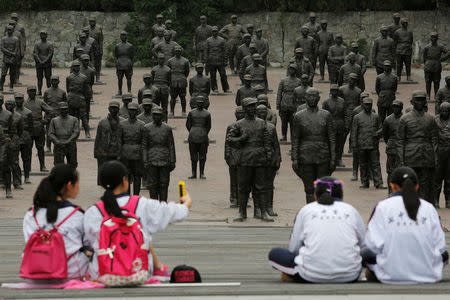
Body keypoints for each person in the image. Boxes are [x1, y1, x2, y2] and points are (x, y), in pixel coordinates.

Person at [84, 160, 192, 281]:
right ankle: (158, 269)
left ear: (102, 185)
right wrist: (186, 204)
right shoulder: (142, 204)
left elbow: (87, 244)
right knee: (144, 235)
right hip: (139, 271)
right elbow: (170, 212)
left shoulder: (93, 212)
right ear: (124, 181)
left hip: (102, 274)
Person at [268, 177, 365, 283]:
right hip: (350, 274)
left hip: (309, 274)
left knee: (275, 254)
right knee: (372, 253)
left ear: (315, 195)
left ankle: (294, 272)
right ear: (341, 195)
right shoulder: (351, 210)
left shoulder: (306, 210)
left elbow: (294, 247)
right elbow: (364, 244)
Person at [363, 167, 448, 284]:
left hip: (390, 274)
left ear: (392, 186)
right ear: (417, 186)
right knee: (444, 254)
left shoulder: (382, 207)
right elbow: (440, 245)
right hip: (427, 274)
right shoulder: (429, 208)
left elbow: (372, 243)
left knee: (365, 254)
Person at [23, 164, 90, 280]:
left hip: (36, 269)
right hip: (70, 271)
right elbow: (88, 242)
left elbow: (28, 241)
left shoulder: (31, 214)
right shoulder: (77, 214)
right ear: (69, 185)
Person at [292, 88, 335, 203]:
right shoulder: (299, 116)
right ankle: (310, 211)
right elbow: (295, 138)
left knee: (323, 187)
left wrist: (333, 157)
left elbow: (331, 138)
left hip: (323, 155)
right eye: (309, 96)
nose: (312, 98)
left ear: (319, 98)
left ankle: (322, 211)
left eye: (314, 96)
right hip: (305, 156)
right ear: (305, 98)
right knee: (309, 188)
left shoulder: (326, 115)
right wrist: (295, 158)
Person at [398, 90, 438, 206]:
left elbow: (434, 139)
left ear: (425, 102)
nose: (420, 102)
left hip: (427, 155)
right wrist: (401, 159)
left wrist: (435, 157)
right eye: (417, 100)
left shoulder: (430, 119)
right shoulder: (404, 119)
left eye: (422, 100)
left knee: (426, 185)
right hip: (410, 155)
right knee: (410, 184)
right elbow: (400, 141)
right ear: (412, 102)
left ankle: (425, 209)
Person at [142, 107, 176, 201]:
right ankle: (154, 205)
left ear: (161, 116)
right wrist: (144, 160)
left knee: (164, 184)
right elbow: (144, 146)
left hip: (164, 159)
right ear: (152, 116)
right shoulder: (146, 128)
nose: (156, 117)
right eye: (155, 115)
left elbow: (171, 146)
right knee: (152, 185)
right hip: (151, 159)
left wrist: (172, 161)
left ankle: (163, 205)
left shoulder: (167, 128)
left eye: (158, 115)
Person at [351, 98, 386, 189]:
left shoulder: (376, 116)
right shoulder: (357, 117)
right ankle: (364, 182)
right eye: (366, 104)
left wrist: (377, 133)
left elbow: (381, 128)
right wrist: (354, 145)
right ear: (363, 105)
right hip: (361, 144)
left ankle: (378, 182)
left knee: (376, 164)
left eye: (369, 104)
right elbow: (354, 132)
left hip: (373, 144)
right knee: (363, 165)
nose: (368, 106)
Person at [257, 105, 281, 217]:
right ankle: (258, 208)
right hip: (257, 159)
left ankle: (269, 207)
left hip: (270, 160)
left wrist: (278, 158)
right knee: (257, 185)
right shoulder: (254, 126)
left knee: (269, 185)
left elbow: (276, 145)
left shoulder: (271, 127)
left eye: (263, 111)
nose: (262, 113)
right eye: (259, 112)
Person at [24, 86, 52, 172]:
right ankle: (28, 167)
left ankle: (42, 166)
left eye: (34, 91)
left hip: (39, 127)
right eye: (30, 91)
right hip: (28, 128)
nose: (32, 93)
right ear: (27, 92)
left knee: (40, 148)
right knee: (28, 149)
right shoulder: (24, 103)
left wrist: (46, 120)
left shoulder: (40, 102)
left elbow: (50, 110)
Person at [94, 101, 122, 186]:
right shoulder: (102, 122)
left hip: (117, 150)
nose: (114, 110)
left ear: (118, 109)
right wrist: (96, 152)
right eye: (112, 108)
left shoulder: (122, 122)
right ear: (109, 109)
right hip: (105, 150)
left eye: (116, 108)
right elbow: (98, 138)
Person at [120, 103, 145, 195]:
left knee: (137, 176)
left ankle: (136, 196)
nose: (132, 112)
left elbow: (144, 140)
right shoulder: (122, 124)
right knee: (126, 176)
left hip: (137, 154)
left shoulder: (142, 124)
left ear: (137, 111)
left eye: (134, 110)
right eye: (130, 110)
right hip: (125, 153)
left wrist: (142, 153)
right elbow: (120, 139)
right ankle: (127, 196)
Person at [48, 102, 80, 168]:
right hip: (59, 145)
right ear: (59, 110)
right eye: (62, 109)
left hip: (70, 145)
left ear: (68, 109)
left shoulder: (74, 119)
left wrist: (69, 140)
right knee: (59, 166)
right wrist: (57, 141)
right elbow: (51, 133)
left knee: (72, 165)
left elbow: (76, 132)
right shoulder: (54, 120)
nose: (63, 111)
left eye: (65, 109)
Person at [186, 98, 211, 179]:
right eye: (198, 103)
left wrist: (203, 132)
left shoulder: (207, 114)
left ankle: (202, 173)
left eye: (201, 103)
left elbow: (208, 126)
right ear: (196, 103)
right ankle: (193, 173)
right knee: (193, 156)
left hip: (203, 137)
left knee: (203, 156)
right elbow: (188, 125)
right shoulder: (191, 113)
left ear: (203, 104)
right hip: (193, 136)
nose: (200, 104)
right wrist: (193, 131)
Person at [225, 106, 245, 208]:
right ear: (235, 115)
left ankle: (242, 199)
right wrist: (227, 156)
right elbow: (227, 143)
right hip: (233, 156)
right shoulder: (231, 126)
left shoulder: (246, 126)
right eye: (238, 113)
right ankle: (233, 198)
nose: (240, 115)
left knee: (244, 180)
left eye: (242, 113)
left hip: (244, 156)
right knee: (233, 180)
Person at [383, 100, 403, 195]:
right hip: (391, 147)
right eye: (394, 107)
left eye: (397, 107)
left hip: (401, 147)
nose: (395, 109)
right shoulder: (388, 119)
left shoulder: (404, 119)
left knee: (401, 170)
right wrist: (390, 143)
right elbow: (385, 135)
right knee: (390, 171)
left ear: (401, 108)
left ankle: (399, 191)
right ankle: (390, 191)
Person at [322, 84, 345, 167]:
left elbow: (345, 113)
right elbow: (323, 115)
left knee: (340, 144)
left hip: (340, 125)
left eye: (336, 90)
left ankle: (339, 159)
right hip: (330, 126)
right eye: (333, 90)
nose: (334, 92)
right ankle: (330, 159)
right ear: (330, 91)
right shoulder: (326, 102)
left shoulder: (342, 101)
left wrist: (345, 124)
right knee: (330, 143)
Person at [277, 64, 301, 141]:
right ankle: (284, 135)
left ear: (296, 71)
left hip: (294, 105)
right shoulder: (283, 81)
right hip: (284, 103)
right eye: (290, 69)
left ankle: (292, 137)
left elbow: (300, 94)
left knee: (293, 122)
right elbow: (279, 93)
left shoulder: (299, 81)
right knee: (284, 122)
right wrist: (278, 104)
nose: (291, 71)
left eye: (293, 69)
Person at [43, 75, 67, 152]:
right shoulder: (47, 92)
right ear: (50, 81)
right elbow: (45, 104)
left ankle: (58, 146)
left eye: (55, 80)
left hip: (59, 115)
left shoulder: (62, 92)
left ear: (58, 82)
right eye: (52, 80)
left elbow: (65, 104)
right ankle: (48, 147)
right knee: (48, 132)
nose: (54, 82)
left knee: (59, 132)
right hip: (49, 115)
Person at [423, 32, 449, 100]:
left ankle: (436, 95)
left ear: (437, 38)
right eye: (432, 37)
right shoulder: (427, 47)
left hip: (437, 66)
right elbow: (424, 57)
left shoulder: (440, 46)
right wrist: (426, 64)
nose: (433, 38)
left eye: (434, 37)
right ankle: (428, 95)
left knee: (436, 81)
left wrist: (442, 59)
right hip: (428, 66)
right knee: (428, 81)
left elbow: (448, 53)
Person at [14, 93, 33, 185]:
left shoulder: (28, 112)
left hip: (25, 137)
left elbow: (31, 126)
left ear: (23, 99)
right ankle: (16, 178)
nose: (19, 100)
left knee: (26, 158)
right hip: (15, 138)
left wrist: (29, 136)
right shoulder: (11, 111)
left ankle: (27, 176)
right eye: (17, 99)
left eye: (20, 99)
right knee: (15, 159)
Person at [434, 102, 450, 208]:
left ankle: (448, 200)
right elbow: (433, 136)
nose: (444, 113)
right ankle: (436, 200)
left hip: (449, 152)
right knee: (437, 178)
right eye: (442, 110)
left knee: (449, 178)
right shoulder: (435, 121)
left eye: (446, 111)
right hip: (439, 151)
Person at [206, 26, 230, 94]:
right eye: (213, 31)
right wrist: (206, 60)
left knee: (223, 75)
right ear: (211, 32)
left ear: (218, 32)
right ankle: (214, 88)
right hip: (212, 60)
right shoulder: (208, 40)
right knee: (212, 76)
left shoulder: (222, 40)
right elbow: (206, 51)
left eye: (216, 31)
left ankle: (226, 88)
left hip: (220, 60)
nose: (214, 32)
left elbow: (225, 51)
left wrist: (226, 60)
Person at [167, 46, 190, 116]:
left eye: (179, 51)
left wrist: (182, 77)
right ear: (174, 51)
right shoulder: (170, 61)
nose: (177, 52)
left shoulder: (185, 61)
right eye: (176, 51)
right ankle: (171, 111)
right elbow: (168, 71)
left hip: (182, 80)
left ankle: (183, 111)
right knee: (173, 97)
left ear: (181, 52)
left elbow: (187, 72)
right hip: (173, 80)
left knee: (182, 97)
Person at [151, 53, 171, 121]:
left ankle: (165, 121)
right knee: (155, 106)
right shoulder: (154, 69)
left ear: (164, 60)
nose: (161, 60)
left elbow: (169, 81)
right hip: (156, 89)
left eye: (162, 59)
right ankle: (155, 120)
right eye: (160, 59)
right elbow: (152, 80)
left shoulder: (168, 69)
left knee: (164, 107)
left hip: (164, 89)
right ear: (157, 59)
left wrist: (165, 87)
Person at [33, 30, 53, 96]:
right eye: (41, 34)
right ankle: (39, 91)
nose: (43, 36)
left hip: (47, 64)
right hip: (39, 64)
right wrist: (39, 61)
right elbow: (35, 53)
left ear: (47, 35)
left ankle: (49, 91)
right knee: (39, 78)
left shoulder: (49, 44)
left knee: (48, 78)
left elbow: (50, 54)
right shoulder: (37, 44)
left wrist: (44, 61)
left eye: (44, 34)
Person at [0, 25, 19, 91]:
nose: (9, 31)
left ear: (13, 30)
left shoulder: (16, 39)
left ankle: (11, 86)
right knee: (3, 74)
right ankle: (1, 86)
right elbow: (2, 48)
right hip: (5, 59)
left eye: (10, 29)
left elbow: (16, 49)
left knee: (12, 74)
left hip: (13, 59)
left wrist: (13, 55)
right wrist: (10, 53)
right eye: (8, 29)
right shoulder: (3, 39)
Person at [114, 31, 134, 96]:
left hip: (128, 63)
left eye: (124, 35)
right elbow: (116, 55)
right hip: (120, 63)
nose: (123, 37)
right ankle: (120, 90)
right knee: (119, 78)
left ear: (126, 36)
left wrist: (129, 62)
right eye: (122, 35)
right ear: (120, 37)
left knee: (129, 78)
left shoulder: (130, 46)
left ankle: (129, 90)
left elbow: (132, 55)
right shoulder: (117, 46)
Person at [88, 16, 104, 83]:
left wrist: (101, 50)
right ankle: (89, 79)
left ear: (95, 22)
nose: (92, 22)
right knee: (89, 64)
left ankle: (97, 78)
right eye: (90, 21)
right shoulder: (86, 29)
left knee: (97, 64)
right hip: (88, 49)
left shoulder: (99, 29)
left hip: (96, 49)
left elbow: (101, 40)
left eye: (93, 21)